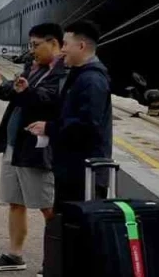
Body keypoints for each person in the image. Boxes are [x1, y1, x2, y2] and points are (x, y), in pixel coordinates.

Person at [0, 24, 67, 274]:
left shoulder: (62, 73)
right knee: (15, 202)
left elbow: (46, 101)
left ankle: (56, 261)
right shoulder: (34, 68)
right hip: (14, 147)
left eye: (36, 45)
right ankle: (14, 255)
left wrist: (25, 90)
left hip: (36, 150)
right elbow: (11, 92)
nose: (32, 50)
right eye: (31, 45)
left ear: (54, 43)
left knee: (48, 206)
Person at [27, 19, 112, 208]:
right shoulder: (79, 75)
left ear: (81, 46)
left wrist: (49, 128)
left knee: (79, 223)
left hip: (84, 174)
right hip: (72, 170)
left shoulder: (92, 80)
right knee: (65, 222)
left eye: (65, 44)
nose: (62, 49)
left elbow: (87, 126)